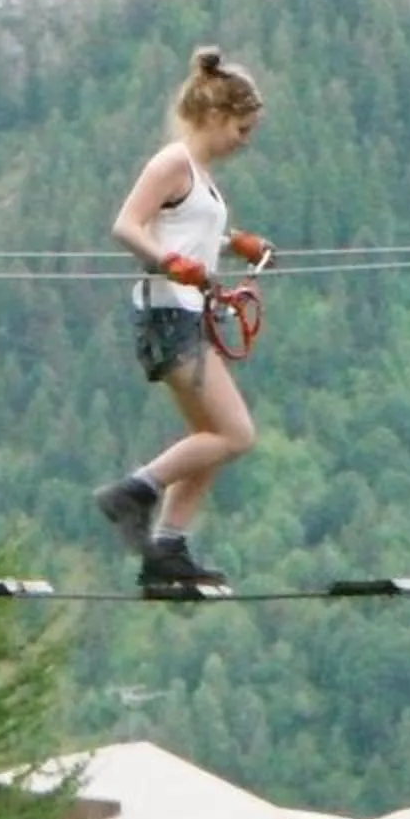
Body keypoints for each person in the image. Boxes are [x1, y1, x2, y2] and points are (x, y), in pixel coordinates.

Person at [93, 46, 272, 595]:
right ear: (216, 117)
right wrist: (169, 263)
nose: (245, 141)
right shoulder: (173, 163)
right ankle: (133, 492)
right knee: (235, 433)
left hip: (186, 312)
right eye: (242, 129)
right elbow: (127, 226)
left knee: (213, 435)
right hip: (167, 313)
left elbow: (182, 230)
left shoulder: (201, 177)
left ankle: (168, 549)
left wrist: (230, 243)